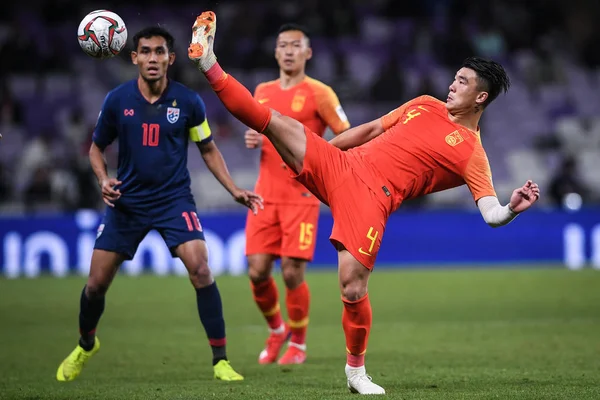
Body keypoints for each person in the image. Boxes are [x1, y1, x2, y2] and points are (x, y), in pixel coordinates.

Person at [188, 12, 541, 395]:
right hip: (343, 165)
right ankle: (207, 61)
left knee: (352, 287)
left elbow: (490, 213)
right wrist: (323, 152)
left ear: (481, 97)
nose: (452, 85)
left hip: (374, 199)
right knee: (273, 121)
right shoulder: (424, 103)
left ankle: (356, 374)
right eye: (455, 77)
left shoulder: (472, 153)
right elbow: (371, 129)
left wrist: (510, 209)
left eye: (462, 83)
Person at [56, 26, 263, 383]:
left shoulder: (188, 102)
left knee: (200, 268)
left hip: (173, 200)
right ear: (134, 57)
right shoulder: (117, 101)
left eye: (160, 52)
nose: (153, 58)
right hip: (127, 202)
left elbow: (208, 149)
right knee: (95, 285)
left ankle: (220, 361)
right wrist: (103, 179)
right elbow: (95, 148)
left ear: (171, 58)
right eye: (146, 52)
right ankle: (86, 344)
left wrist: (233, 189)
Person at [244, 23, 350, 365]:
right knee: (257, 271)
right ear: (275, 52)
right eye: (282, 45)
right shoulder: (261, 90)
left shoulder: (321, 93)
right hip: (264, 195)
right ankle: (277, 331)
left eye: (295, 45)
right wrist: (255, 138)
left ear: (308, 52)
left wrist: (319, 160)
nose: (288, 50)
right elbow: (259, 128)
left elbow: (346, 135)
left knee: (291, 272)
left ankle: (299, 344)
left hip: (301, 197)